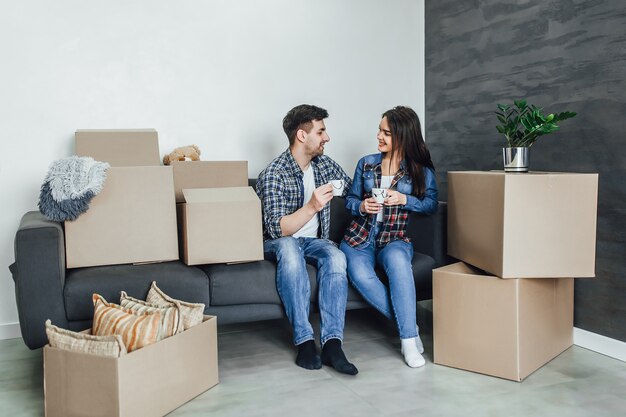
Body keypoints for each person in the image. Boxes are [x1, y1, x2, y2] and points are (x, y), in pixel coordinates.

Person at [256, 104, 358, 375]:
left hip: (315, 241)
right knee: (290, 249)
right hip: (280, 242)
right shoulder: (273, 174)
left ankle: (333, 343)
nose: (327, 137)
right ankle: (304, 341)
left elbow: (353, 190)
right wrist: (312, 206)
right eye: (321, 131)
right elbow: (278, 229)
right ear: (302, 135)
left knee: (336, 255)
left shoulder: (324, 165)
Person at [339, 106, 438, 368]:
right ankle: (410, 330)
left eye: (387, 133)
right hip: (360, 237)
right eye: (379, 130)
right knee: (361, 276)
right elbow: (349, 200)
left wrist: (405, 199)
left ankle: (406, 343)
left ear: (403, 137)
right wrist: (361, 206)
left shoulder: (419, 170)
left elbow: (431, 205)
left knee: (398, 267)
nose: (379, 137)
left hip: (395, 238)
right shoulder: (366, 163)